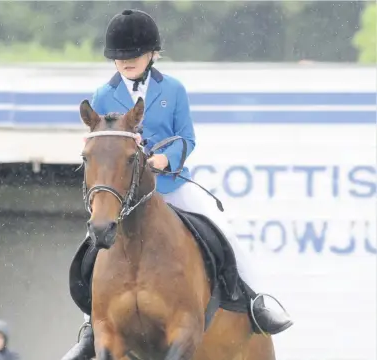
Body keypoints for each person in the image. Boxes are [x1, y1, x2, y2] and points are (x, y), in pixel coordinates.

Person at [62, 9, 293, 360]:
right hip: (125, 194)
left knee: (226, 235)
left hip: (169, 184)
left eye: (133, 56)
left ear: (152, 54)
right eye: (119, 57)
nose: (125, 62)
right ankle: (92, 328)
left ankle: (257, 304)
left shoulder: (172, 90)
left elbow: (187, 138)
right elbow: (103, 143)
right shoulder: (102, 95)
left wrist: (164, 159)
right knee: (92, 250)